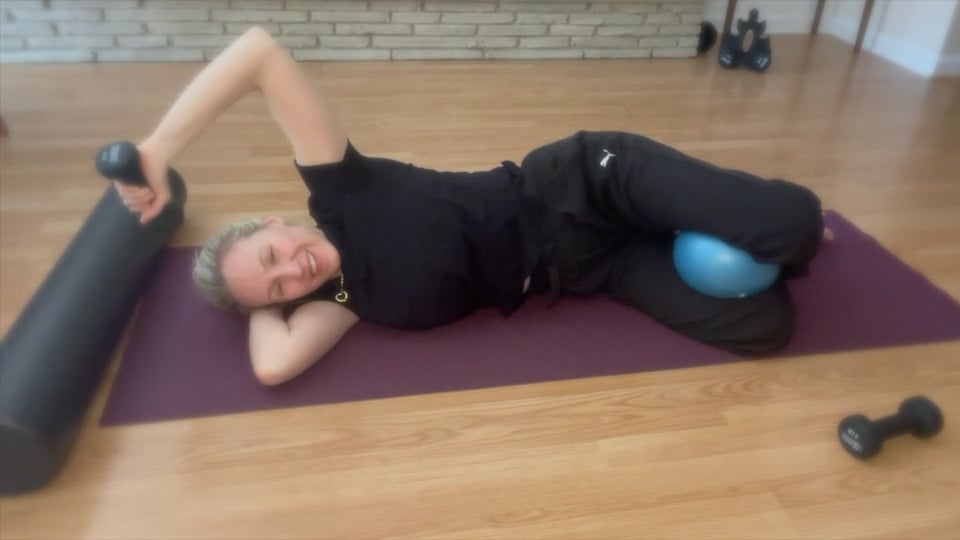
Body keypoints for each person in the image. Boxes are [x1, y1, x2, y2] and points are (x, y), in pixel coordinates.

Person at [114, 27, 824, 386]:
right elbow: (273, 367)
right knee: (764, 325)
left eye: (273, 254)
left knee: (794, 230)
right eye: (278, 288)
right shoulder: (344, 301)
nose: (292, 271)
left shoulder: (341, 189)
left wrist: (156, 149)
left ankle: (734, 202)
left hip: (586, 181)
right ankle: (710, 213)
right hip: (594, 268)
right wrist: (256, 300)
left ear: (276, 221)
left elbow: (258, 53)